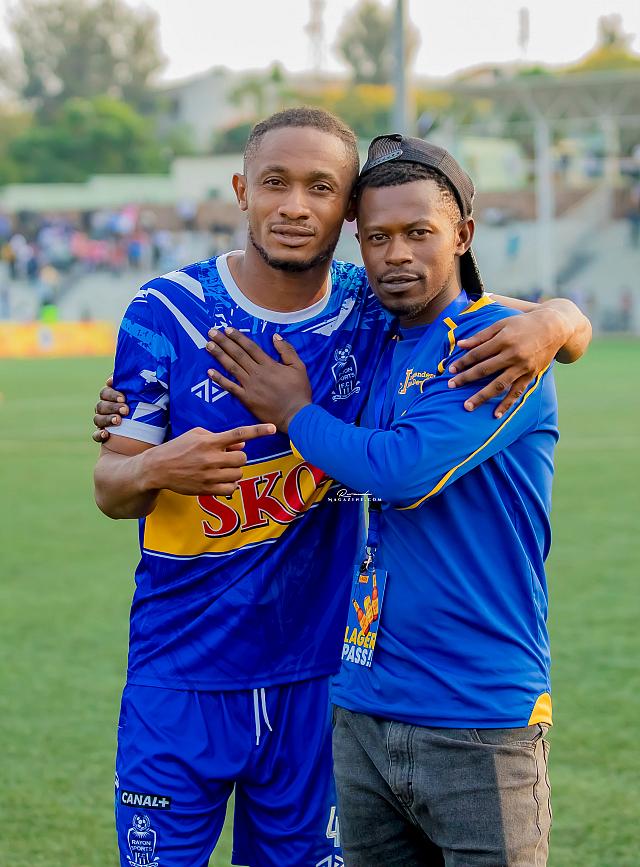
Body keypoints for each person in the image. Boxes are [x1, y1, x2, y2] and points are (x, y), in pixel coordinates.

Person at [93, 112, 590, 867]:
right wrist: (157, 468)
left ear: (345, 208)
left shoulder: (371, 306)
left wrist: (558, 320)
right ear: (242, 190)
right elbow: (111, 486)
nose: (295, 206)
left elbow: (493, 318)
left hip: (322, 677)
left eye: (320, 188)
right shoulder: (166, 310)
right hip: (183, 669)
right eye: (276, 183)